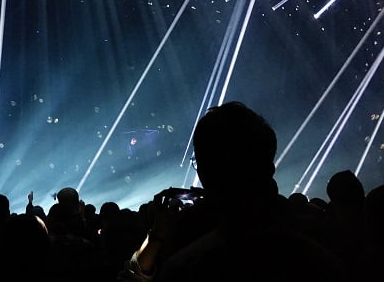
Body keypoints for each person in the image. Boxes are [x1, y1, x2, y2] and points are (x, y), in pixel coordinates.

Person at [118, 101, 347, 281]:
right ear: (269, 164)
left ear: (208, 170)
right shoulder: (329, 241)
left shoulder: (191, 264)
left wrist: (157, 237)